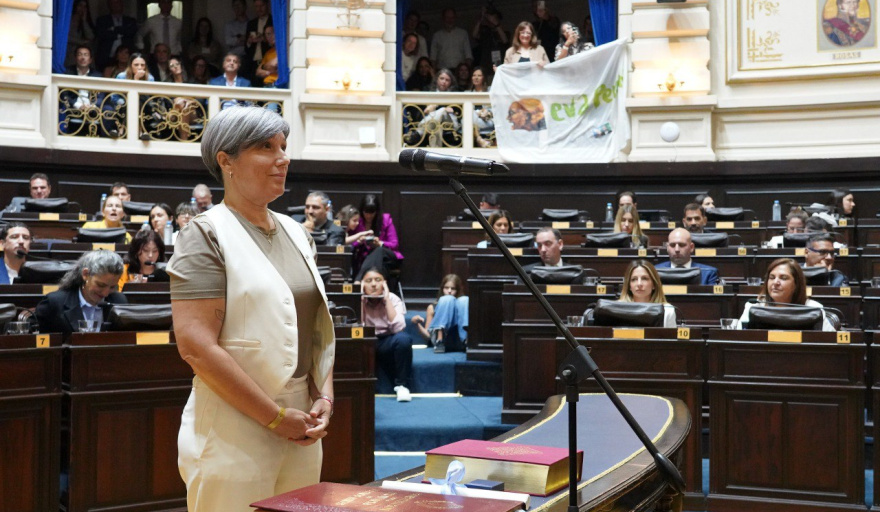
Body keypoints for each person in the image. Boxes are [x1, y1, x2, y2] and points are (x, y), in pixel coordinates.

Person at [169, 106, 335, 511]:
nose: (283, 158)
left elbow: (315, 328)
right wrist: (274, 417)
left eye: (283, 146)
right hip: (233, 425)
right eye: (266, 147)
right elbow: (195, 346)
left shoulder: (297, 231)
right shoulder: (205, 233)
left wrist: (323, 397)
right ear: (226, 161)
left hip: (302, 420)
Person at [34, 250, 127, 334]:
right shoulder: (54, 303)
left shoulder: (119, 301)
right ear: (85, 274)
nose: (105, 293)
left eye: (112, 287)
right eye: (100, 285)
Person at [737, 258, 835, 331]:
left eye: (783, 278)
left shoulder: (814, 308)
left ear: (796, 284)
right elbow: (740, 337)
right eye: (772, 277)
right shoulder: (754, 306)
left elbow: (831, 340)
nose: (775, 282)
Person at [361, 267, 413, 401]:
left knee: (404, 339)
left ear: (384, 284)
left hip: (387, 340)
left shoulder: (394, 299)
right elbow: (357, 326)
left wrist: (387, 300)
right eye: (368, 281)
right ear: (362, 284)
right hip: (366, 341)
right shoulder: (358, 300)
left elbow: (399, 328)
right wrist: (360, 298)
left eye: (378, 280)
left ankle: (402, 386)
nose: (374, 284)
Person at [352, 194, 402, 283]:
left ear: (377, 212)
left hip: (387, 256)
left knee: (379, 250)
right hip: (367, 258)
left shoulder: (385, 220)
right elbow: (350, 243)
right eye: (366, 212)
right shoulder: (357, 221)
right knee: (376, 264)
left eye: (372, 213)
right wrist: (359, 241)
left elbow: (394, 244)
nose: (369, 216)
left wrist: (380, 243)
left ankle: (358, 281)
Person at [411, 274, 468, 351]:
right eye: (446, 288)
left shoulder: (463, 304)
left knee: (464, 299)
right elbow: (428, 336)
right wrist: (417, 324)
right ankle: (440, 340)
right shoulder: (432, 308)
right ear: (442, 289)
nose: (449, 291)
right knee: (448, 299)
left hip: (460, 341)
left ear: (458, 290)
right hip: (443, 341)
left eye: (453, 288)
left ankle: (466, 340)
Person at [618, 260, 677, 327]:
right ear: (629, 286)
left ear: (654, 284)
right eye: (634, 279)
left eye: (644, 278)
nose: (639, 284)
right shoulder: (617, 309)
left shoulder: (667, 311)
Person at [655, 228, 720, 285]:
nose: (677, 249)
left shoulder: (709, 273)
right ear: (667, 248)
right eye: (672, 245)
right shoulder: (655, 272)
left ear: (691, 247)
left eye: (681, 245)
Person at [95, 0, 137, 71]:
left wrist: (113, 29)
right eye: (113, 3)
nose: (115, 5)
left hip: (126, 57)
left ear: (122, 4)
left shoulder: (130, 21)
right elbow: (102, 35)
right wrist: (121, 32)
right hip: (106, 57)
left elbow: (131, 32)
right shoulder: (102, 20)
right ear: (109, 5)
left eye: (117, 2)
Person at [471, 5, 508, 70]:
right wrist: (481, 18)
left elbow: (505, 40)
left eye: (494, 18)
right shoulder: (485, 32)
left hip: (500, 65)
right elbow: (474, 35)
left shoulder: (503, 32)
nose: (491, 20)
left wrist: (496, 24)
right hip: (486, 64)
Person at [245, 0, 273, 81]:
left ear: (267, 5)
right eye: (257, 6)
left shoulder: (273, 21)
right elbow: (246, 47)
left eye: (262, 6)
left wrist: (264, 39)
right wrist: (249, 41)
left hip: (268, 60)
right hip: (253, 63)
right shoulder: (251, 23)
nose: (259, 9)